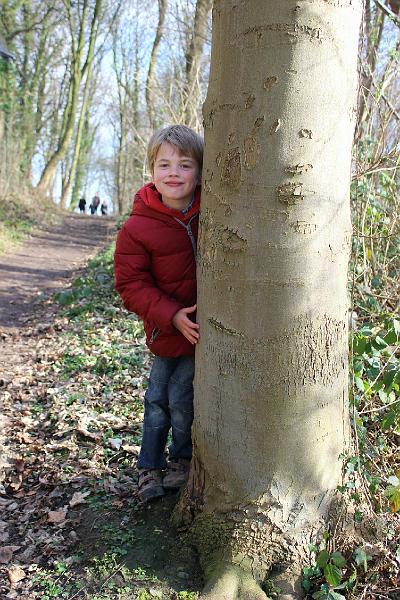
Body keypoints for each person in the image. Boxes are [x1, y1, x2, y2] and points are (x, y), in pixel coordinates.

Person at [114, 125, 203, 502]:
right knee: (156, 400)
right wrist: (171, 315)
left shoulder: (213, 213)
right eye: (164, 164)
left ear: (199, 172)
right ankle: (148, 468)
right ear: (151, 170)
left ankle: (181, 461)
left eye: (184, 165)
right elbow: (130, 284)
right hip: (165, 331)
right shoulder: (138, 226)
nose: (174, 173)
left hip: (202, 333)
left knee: (183, 400)